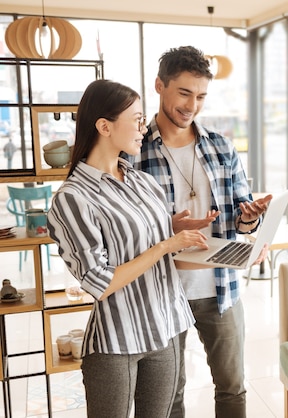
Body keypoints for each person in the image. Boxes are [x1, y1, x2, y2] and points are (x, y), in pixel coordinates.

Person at [47, 79, 209, 417]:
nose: (143, 128)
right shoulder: (73, 198)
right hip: (116, 341)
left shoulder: (141, 181)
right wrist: (166, 243)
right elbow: (98, 282)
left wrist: (179, 233)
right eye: (136, 120)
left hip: (165, 327)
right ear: (104, 126)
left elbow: (151, 247)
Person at [127, 46, 270, 418]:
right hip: (161, 292)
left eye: (201, 96)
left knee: (232, 387)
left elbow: (242, 217)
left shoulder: (221, 147)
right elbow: (124, 229)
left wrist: (251, 218)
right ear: (160, 86)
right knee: (169, 396)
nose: (192, 106)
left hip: (220, 289)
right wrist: (168, 228)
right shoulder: (133, 152)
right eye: (184, 93)